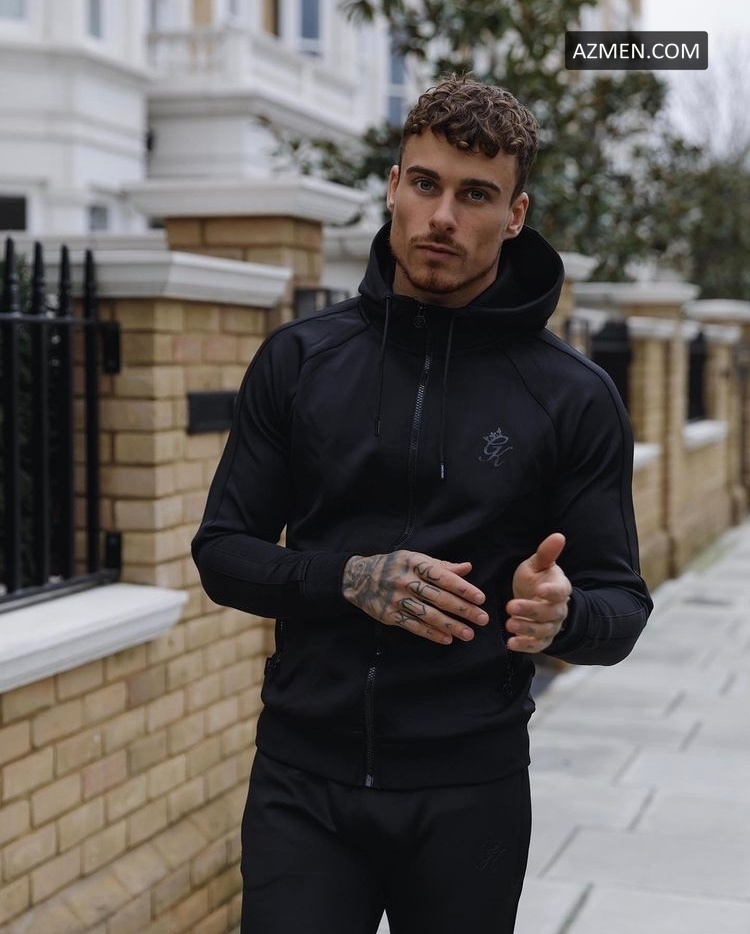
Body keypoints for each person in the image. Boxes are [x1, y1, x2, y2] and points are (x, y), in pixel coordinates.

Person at [192, 76, 652, 934]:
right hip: (303, 780)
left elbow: (622, 608)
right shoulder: (300, 360)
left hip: (470, 793)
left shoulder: (573, 395)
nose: (443, 216)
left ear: (514, 215)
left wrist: (565, 617)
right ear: (394, 186)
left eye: (475, 194)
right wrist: (350, 578)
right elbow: (222, 552)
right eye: (426, 184)